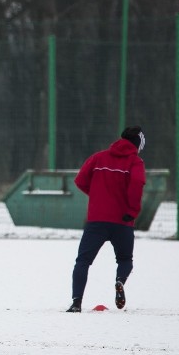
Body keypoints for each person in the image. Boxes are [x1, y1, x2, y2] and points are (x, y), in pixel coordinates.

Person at [66, 126, 147, 314]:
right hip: (123, 221)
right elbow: (137, 185)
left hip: (97, 220)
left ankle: (76, 302)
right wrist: (132, 211)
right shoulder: (136, 162)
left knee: (83, 261)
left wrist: (97, 197)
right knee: (125, 259)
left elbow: (80, 180)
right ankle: (120, 281)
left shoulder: (99, 157)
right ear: (137, 144)